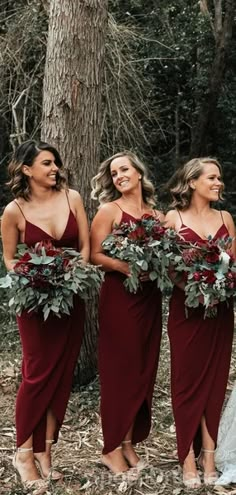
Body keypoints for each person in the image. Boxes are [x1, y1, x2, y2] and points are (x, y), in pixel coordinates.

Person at [1, 140, 89, 494]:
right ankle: (23, 453)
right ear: (27, 169)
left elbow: (83, 247)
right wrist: (36, 277)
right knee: (38, 376)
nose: (55, 169)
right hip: (35, 304)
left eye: (56, 163)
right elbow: (9, 260)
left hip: (71, 301)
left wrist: (76, 268)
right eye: (47, 164)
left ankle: (46, 452)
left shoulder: (74, 198)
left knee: (62, 375)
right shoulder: (13, 211)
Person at [90, 150, 164, 476]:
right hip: (120, 298)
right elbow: (93, 254)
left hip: (150, 299)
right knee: (120, 371)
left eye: (124, 170)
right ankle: (110, 448)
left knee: (143, 370)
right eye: (114, 173)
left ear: (138, 172)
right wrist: (125, 266)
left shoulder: (158, 217)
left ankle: (129, 443)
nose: (119, 176)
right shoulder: (110, 210)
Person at [165, 157, 235, 489]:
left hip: (220, 313)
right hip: (187, 312)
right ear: (192, 182)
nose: (218, 182)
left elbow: (233, 264)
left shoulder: (226, 218)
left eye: (219, 178)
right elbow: (169, 269)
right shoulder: (173, 218)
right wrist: (196, 288)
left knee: (215, 382)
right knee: (187, 383)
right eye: (212, 177)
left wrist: (219, 287)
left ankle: (208, 455)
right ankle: (187, 459)